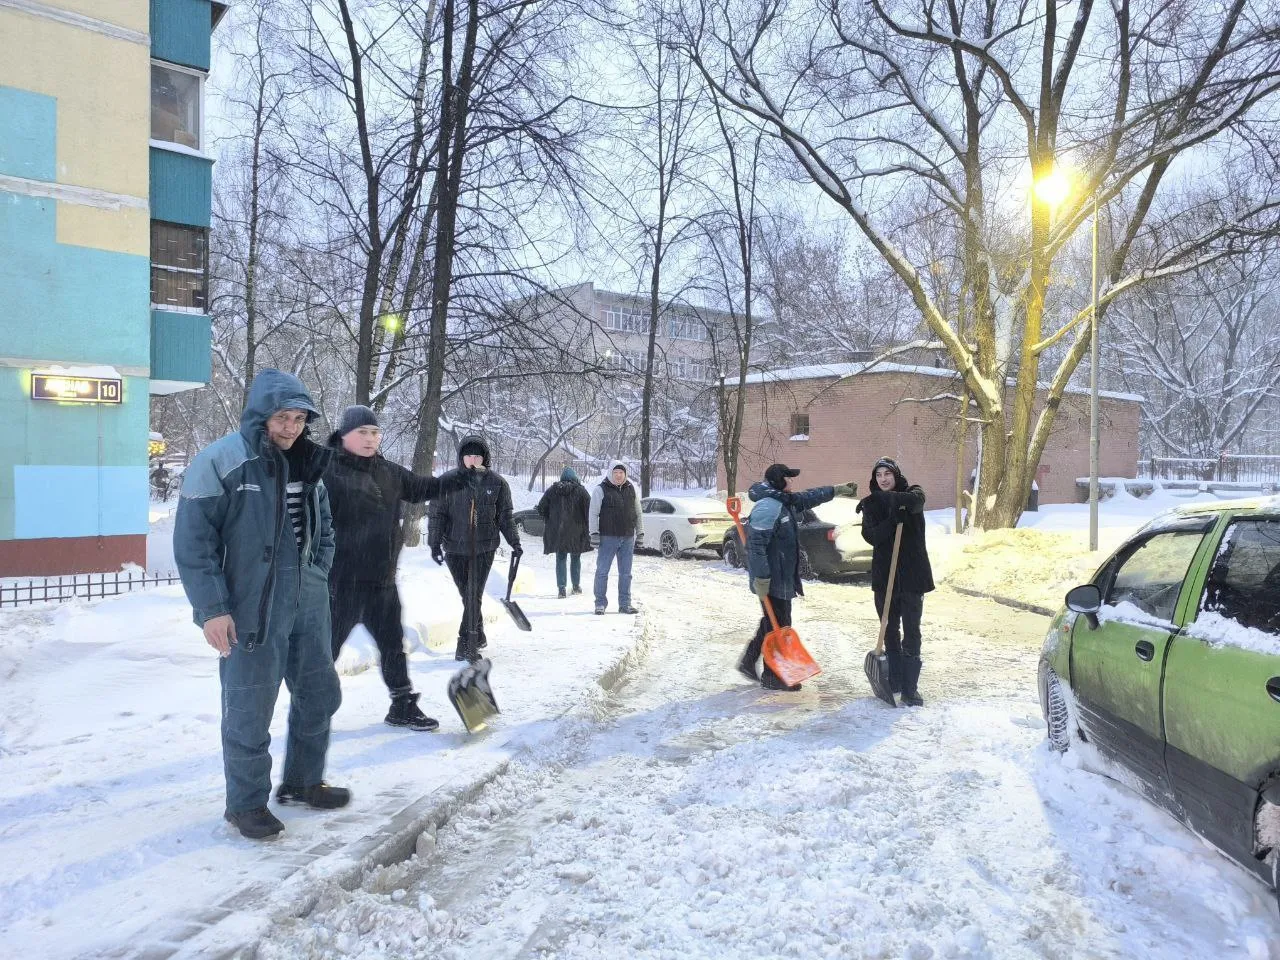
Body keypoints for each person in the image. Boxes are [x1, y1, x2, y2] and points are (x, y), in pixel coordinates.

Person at [173, 369, 348, 841]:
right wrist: (211, 609)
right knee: (250, 706)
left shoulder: (309, 463)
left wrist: (316, 570)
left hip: (307, 600)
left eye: (298, 419)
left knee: (320, 694)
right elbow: (194, 542)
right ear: (261, 415)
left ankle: (302, 782)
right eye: (282, 418)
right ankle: (246, 804)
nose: (291, 427)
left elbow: (325, 527)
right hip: (251, 605)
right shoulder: (223, 460)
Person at [324, 405, 441, 732]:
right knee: (324, 651)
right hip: (341, 583)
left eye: (374, 432)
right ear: (345, 434)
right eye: (362, 431)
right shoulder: (326, 470)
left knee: (392, 644)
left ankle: (402, 705)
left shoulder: (387, 472)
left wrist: (460, 478)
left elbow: (423, 488)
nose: (370, 438)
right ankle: (312, 710)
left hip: (381, 583)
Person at [738, 464, 858, 690]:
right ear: (778, 481)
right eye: (788, 479)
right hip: (772, 578)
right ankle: (773, 676)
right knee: (779, 625)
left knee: (773, 622)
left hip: (783, 575)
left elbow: (809, 497)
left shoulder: (784, 500)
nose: (792, 483)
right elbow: (755, 547)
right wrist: (761, 578)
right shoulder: (767, 507)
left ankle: (751, 661)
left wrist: (836, 490)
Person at [428, 435, 521, 662]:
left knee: (473, 594)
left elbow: (505, 517)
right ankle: (478, 633)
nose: (472, 460)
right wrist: (434, 543)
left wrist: (515, 542)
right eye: (468, 455)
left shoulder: (497, 483)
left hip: (484, 548)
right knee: (467, 596)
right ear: (461, 457)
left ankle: (466, 645)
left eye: (477, 455)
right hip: (454, 547)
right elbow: (437, 514)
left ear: (484, 458)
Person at [857, 457, 934, 706]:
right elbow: (873, 536)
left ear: (896, 475)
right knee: (889, 628)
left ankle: (911, 689)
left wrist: (894, 502)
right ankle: (896, 680)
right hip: (884, 577)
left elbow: (916, 501)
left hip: (912, 576)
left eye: (887, 474)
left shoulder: (913, 493)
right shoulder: (871, 505)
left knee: (912, 630)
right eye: (878, 475)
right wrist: (892, 518)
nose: (883, 479)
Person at [589, 462, 644, 615]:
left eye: (621, 472)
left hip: (627, 538)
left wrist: (640, 533)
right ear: (610, 474)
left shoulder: (631, 489)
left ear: (625, 474)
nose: (619, 475)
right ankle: (600, 603)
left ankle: (625, 604)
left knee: (626, 573)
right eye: (616, 472)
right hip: (607, 538)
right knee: (602, 571)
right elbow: (593, 513)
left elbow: (638, 513)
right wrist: (594, 533)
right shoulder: (601, 489)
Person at [536, 466, 592, 598]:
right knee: (575, 558)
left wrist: (551, 518)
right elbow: (589, 510)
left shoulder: (552, 490)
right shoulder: (581, 491)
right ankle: (576, 586)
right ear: (575, 477)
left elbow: (541, 508)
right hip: (576, 532)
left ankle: (561, 589)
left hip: (558, 532)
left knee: (560, 558)